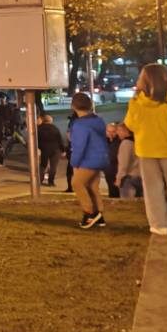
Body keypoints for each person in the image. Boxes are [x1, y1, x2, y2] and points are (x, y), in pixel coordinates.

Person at [123, 63, 167, 236]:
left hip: (146, 150)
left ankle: (159, 225)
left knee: (152, 189)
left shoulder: (136, 102)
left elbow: (130, 125)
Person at [68, 92, 109, 229]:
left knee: (77, 183)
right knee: (92, 186)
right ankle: (99, 216)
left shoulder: (80, 125)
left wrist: (74, 162)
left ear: (73, 106)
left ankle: (89, 213)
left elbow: (79, 146)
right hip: (100, 157)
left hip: (88, 159)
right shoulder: (98, 120)